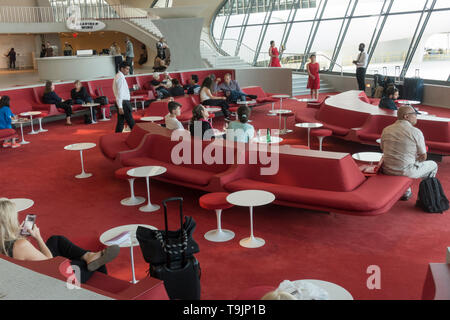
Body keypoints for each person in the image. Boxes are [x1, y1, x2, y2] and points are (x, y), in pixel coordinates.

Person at [0, 198, 120, 284]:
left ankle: (89, 256)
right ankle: (104, 287)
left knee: (56, 240)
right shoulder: (20, 245)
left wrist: (15, 236)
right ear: (9, 221)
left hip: (26, 274)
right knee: (92, 263)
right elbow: (49, 264)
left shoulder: (7, 243)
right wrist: (37, 237)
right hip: (50, 281)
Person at [380, 106, 438, 200]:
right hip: (405, 171)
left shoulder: (386, 129)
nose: (416, 117)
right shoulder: (415, 132)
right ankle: (424, 198)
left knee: (404, 160)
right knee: (433, 165)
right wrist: (414, 159)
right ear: (406, 116)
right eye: (414, 115)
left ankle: (405, 192)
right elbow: (423, 156)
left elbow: (383, 148)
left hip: (387, 169)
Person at [113, 61, 135, 133]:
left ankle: (116, 135)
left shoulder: (118, 76)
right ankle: (137, 135)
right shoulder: (120, 78)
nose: (128, 71)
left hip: (121, 102)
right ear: (122, 68)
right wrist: (120, 107)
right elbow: (120, 93)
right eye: (127, 69)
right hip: (123, 102)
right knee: (130, 121)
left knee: (121, 121)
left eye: (129, 69)